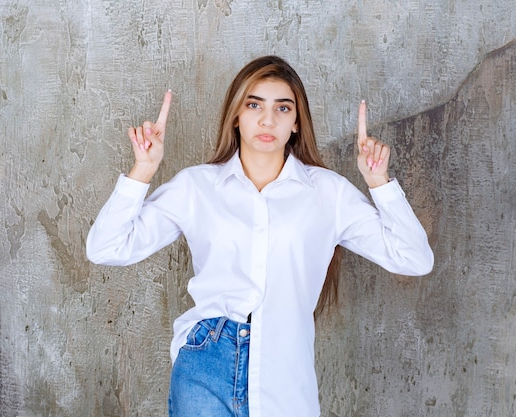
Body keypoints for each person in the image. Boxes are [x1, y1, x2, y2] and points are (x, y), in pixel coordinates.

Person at [86, 55, 434, 417]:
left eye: (282, 108)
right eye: (254, 105)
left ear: (296, 123)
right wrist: (143, 170)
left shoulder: (328, 194)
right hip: (206, 364)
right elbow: (106, 247)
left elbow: (414, 258)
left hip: (284, 375)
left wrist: (379, 181)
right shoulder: (197, 186)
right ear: (237, 115)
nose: (268, 119)